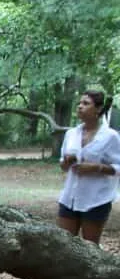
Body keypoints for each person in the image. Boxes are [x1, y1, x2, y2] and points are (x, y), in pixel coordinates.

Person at [57, 90, 120, 245]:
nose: (80, 106)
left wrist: (96, 167)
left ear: (98, 109)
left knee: (90, 248)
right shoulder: (71, 134)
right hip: (69, 198)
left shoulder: (110, 136)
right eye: (79, 103)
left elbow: (118, 167)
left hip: (95, 200)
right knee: (63, 246)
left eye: (86, 103)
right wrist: (66, 162)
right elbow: (63, 166)